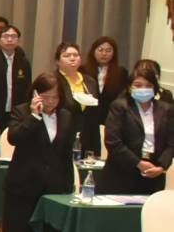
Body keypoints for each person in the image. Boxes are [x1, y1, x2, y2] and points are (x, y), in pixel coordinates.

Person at [0, 73, 79, 232]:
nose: (51, 102)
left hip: (54, 185)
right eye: (46, 96)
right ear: (35, 94)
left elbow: (65, 154)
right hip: (24, 183)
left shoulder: (66, 116)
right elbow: (14, 138)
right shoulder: (22, 111)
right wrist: (34, 117)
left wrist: (68, 185)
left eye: (55, 97)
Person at [99, 61, 172, 195]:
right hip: (122, 173)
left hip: (154, 174)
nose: (143, 89)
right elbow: (113, 141)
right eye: (138, 85)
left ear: (155, 88)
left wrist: (161, 167)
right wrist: (138, 163)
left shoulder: (166, 110)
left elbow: (171, 143)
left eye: (148, 86)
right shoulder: (120, 106)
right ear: (129, 87)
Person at [82, 37, 129, 159]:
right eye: (100, 50)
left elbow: (122, 96)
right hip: (88, 118)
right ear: (93, 51)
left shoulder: (121, 72)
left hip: (110, 118)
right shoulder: (82, 70)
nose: (104, 53)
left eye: (108, 50)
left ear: (114, 53)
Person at [53, 42, 100, 151]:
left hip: (87, 136)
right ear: (57, 61)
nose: (72, 58)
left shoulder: (90, 81)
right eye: (66, 56)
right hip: (61, 135)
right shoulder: (53, 80)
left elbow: (94, 115)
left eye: (76, 55)